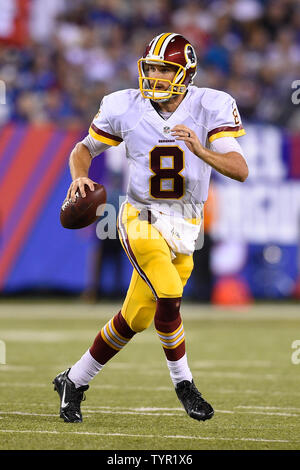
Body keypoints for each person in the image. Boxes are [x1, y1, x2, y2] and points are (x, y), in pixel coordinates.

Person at [53, 32, 248, 423]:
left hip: (186, 226)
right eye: (152, 68)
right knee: (170, 292)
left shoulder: (212, 105)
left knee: (136, 319)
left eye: (166, 69)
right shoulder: (124, 105)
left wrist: (201, 149)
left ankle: (74, 379)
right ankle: (184, 385)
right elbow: (83, 149)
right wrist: (79, 177)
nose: (156, 77)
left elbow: (240, 170)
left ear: (186, 74)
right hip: (138, 216)